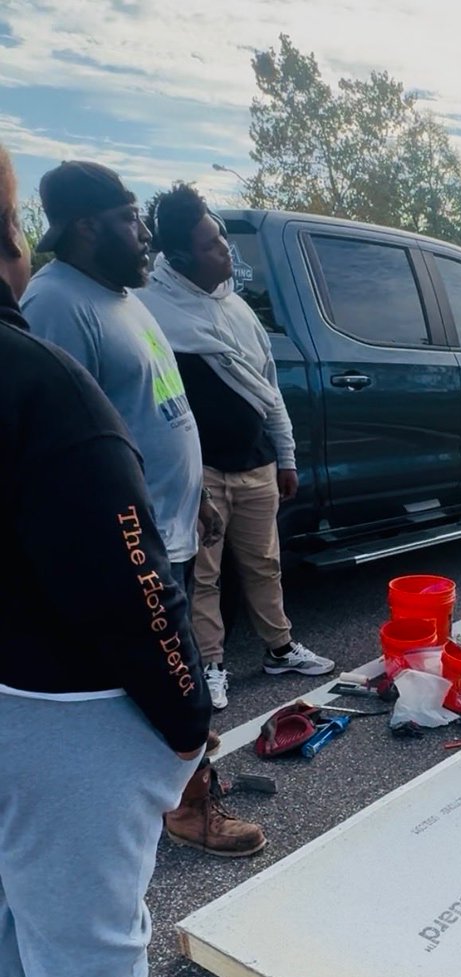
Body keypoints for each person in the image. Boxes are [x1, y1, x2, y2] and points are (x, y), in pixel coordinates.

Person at [0, 142, 218, 977]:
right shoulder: (37, 375)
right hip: (70, 690)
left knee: (28, 873)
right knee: (88, 898)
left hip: (18, 676)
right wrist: (186, 714)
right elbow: (125, 583)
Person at [22, 160, 264, 858]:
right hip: (127, 547)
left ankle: (179, 791)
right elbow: (62, 448)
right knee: (169, 681)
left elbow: (156, 411)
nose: (144, 236)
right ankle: (187, 810)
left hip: (170, 527)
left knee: (176, 676)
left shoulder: (120, 298)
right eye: (130, 219)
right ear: (87, 226)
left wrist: (192, 502)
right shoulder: (57, 306)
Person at [141, 183, 334, 711]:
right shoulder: (151, 312)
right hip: (199, 471)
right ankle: (211, 664)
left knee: (265, 563)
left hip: (256, 465)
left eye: (222, 236)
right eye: (210, 244)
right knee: (204, 575)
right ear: (178, 256)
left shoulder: (239, 310)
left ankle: (279, 647)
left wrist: (285, 455)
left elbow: (267, 388)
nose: (226, 248)